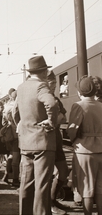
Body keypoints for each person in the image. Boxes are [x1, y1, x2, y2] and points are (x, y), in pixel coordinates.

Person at [14, 55, 58, 215]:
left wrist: (23, 125)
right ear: (44, 71)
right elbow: (51, 104)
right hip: (42, 143)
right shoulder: (41, 86)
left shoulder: (21, 87)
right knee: (42, 185)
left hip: (25, 143)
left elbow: (14, 112)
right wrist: (51, 121)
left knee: (26, 183)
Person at [67, 75, 102, 215]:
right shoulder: (101, 105)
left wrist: (75, 139)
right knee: (100, 187)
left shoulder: (78, 106)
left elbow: (72, 129)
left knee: (87, 188)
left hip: (84, 150)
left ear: (80, 92)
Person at [47, 70, 69, 215]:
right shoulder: (43, 99)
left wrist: (57, 118)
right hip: (47, 142)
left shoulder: (56, 99)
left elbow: (63, 118)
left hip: (57, 141)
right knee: (47, 175)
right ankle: (49, 204)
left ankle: (53, 200)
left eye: (55, 82)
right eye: (51, 82)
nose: (54, 85)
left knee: (63, 172)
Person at [2, 89, 20, 187]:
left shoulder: (6, 106)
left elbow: (3, 122)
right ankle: (15, 179)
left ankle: (6, 174)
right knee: (16, 157)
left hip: (10, 135)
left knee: (12, 155)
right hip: (17, 134)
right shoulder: (16, 106)